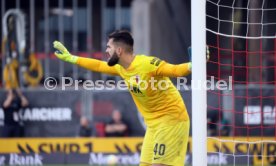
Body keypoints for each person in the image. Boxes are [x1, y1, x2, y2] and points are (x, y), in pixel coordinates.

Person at [53, 30, 208, 166]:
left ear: (119, 50)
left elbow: (174, 70)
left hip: (171, 120)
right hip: (154, 126)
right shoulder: (122, 68)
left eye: (109, 47)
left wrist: (193, 65)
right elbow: (99, 66)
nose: (106, 50)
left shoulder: (147, 64)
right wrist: (72, 58)